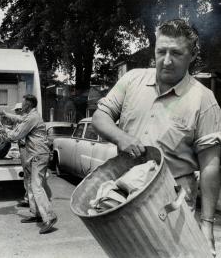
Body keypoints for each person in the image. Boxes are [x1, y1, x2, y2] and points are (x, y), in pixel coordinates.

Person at [92, 19, 221, 256]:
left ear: (192, 55)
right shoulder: (132, 80)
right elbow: (100, 117)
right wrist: (121, 138)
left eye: (177, 53)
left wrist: (207, 224)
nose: (167, 60)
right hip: (124, 198)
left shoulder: (204, 99)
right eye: (161, 51)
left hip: (172, 206)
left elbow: (210, 166)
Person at [0, 95, 57, 234]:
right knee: (31, 184)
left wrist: (2, 129)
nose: (22, 105)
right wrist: (6, 114)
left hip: (38, 154)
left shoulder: (32, 117)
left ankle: (49, 217)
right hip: (35, 154)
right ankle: (36, 214)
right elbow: (20, 119)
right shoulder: (31, 115)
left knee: (36, 186)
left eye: (24, 103)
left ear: (29, 104)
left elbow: (16, 135)